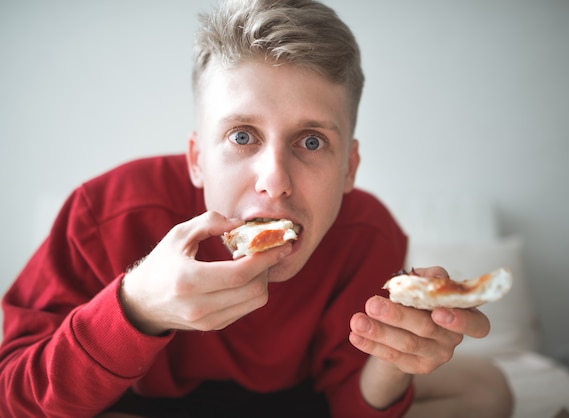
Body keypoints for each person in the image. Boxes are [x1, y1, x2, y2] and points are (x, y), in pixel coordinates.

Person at [0, 0, 513, 417]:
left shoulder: (368, 235)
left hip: (296, 399)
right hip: (137, 398)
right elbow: (12, 392)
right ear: (197, 159)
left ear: (349, 168)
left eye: (311, 142)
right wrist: (135, 307)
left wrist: (392, 360)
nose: (275, 182)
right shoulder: (106, 212)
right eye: (242, 136)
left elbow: (351, 398)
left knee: (489, 389)